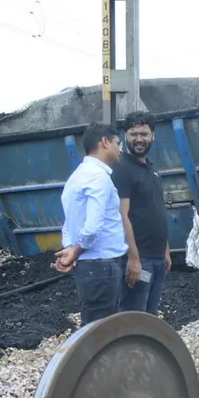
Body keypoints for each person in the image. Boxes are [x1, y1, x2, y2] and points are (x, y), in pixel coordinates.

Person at [53, 122, 127, 325]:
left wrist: (70, 248)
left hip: (92, 267)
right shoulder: (98, 177)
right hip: (102, 266)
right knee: (102, 332)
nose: (121, 149)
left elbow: (69, 221)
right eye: (117, 143)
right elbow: (93, 226)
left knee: (94, 327)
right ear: (104, 142)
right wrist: (75, 252)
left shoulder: (76, 176)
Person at [114, 111, 171, 314]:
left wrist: (165, 251)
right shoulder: (122, 169)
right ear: (126, 137)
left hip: (156, 259)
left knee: (150, 317)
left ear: (153, 136)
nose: (139, 139)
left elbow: (157, 211)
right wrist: (134, 258)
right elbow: (123, 215)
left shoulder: (153, 171)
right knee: (133, 318)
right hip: (140, 259)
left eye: (144, 134)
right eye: (133, 134)